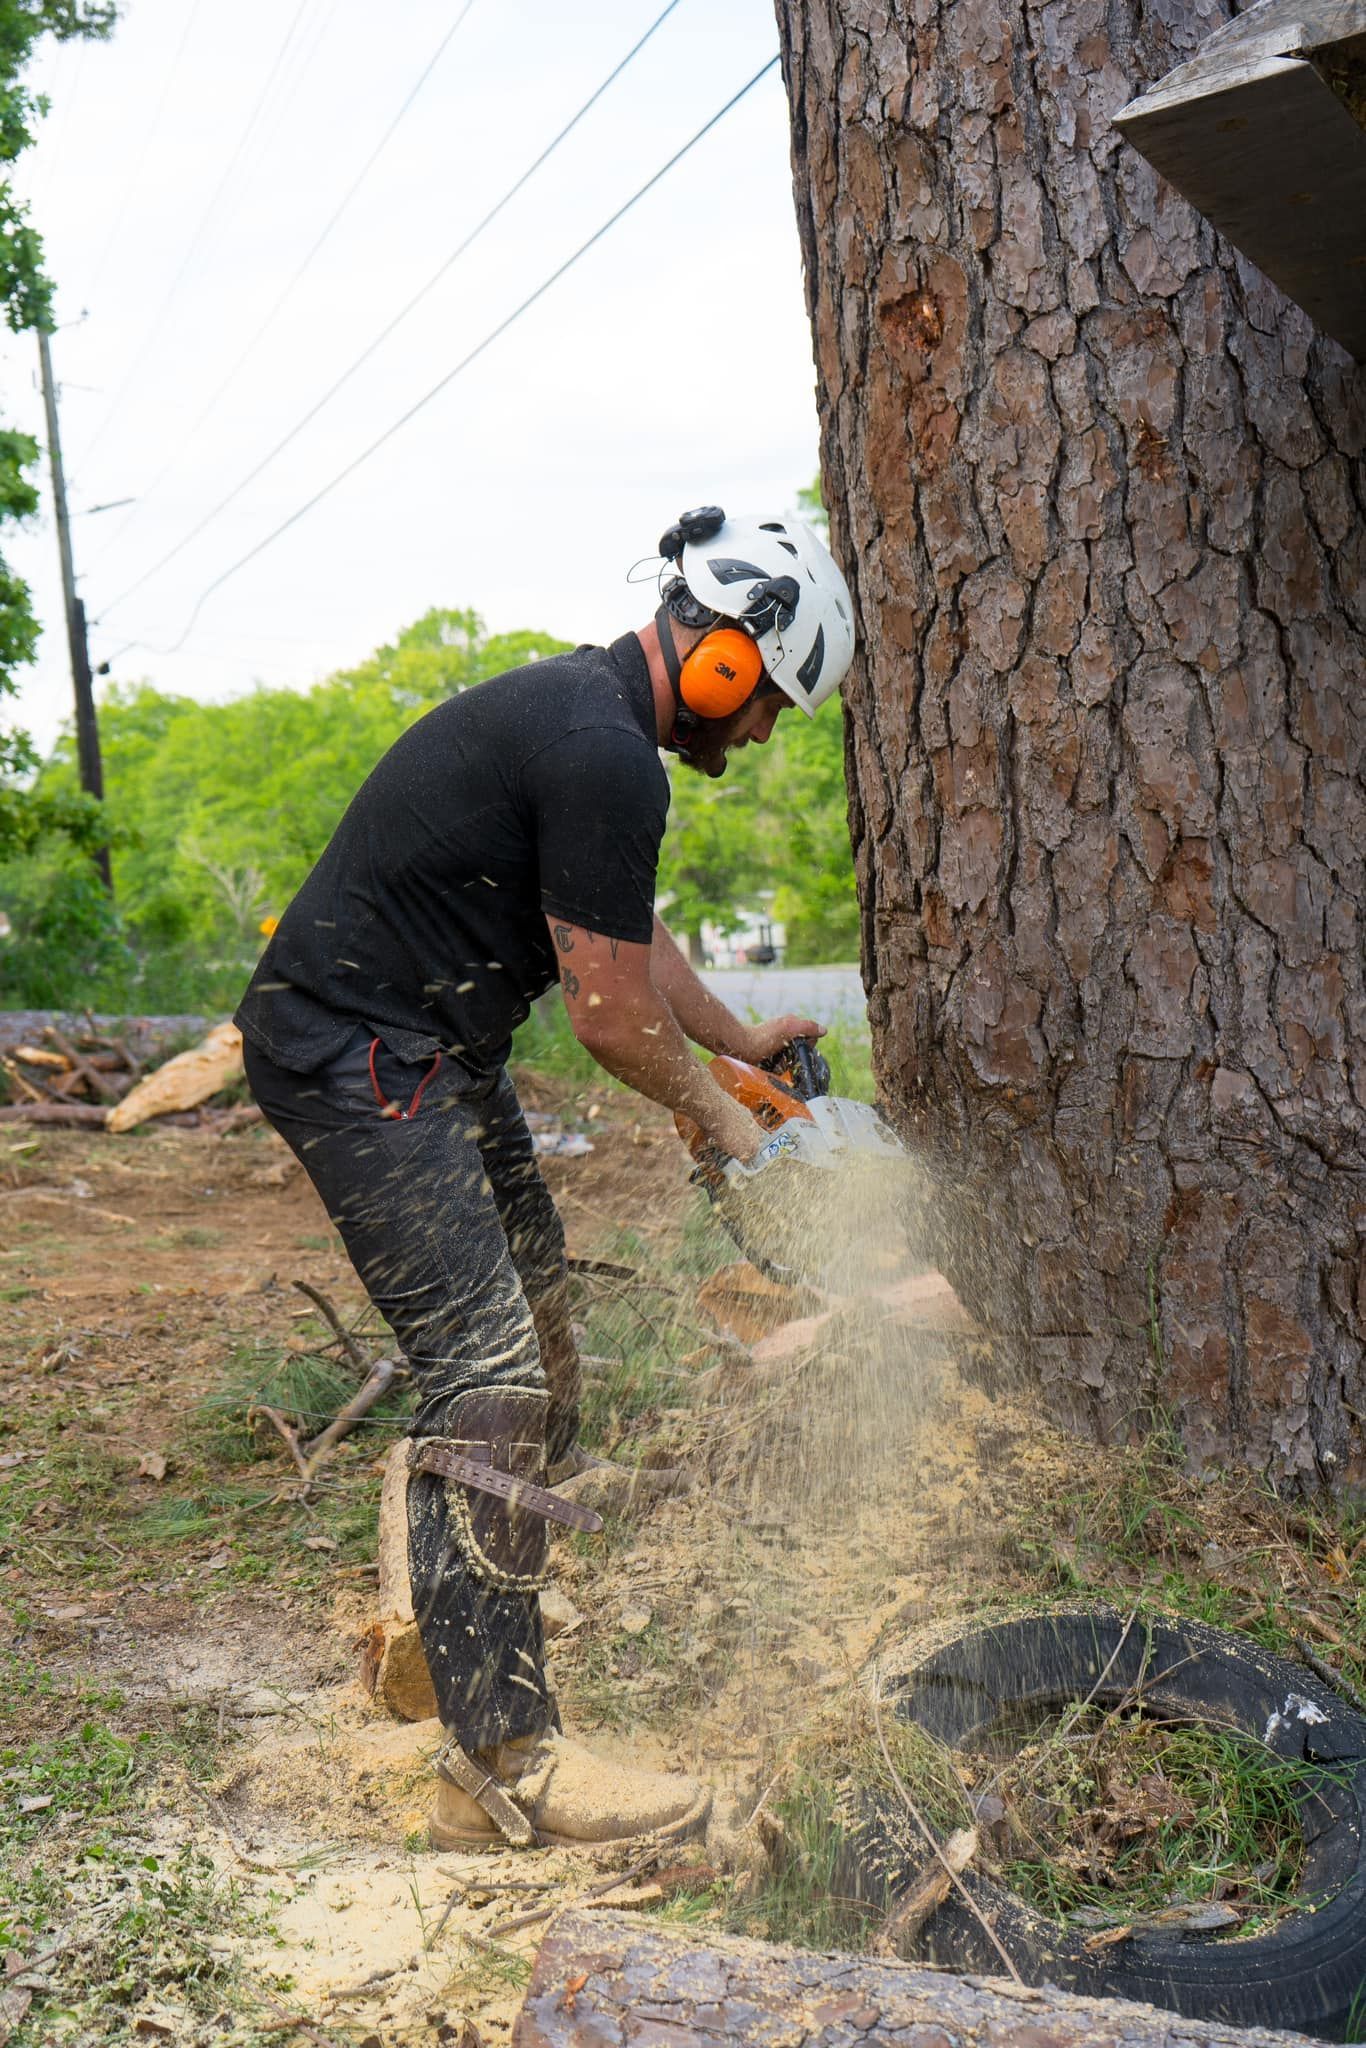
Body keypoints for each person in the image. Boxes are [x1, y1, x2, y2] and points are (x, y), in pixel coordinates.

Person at [235, 505, 856, 1850]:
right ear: (725, 656)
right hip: (354, 1049)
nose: (759, 737)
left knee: (538, 1317)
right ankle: (504, 1755)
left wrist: (738, 1048)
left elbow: (627, 940)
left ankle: (506, 1559)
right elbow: (605, 1018)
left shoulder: (595, 733)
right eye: (769, 705)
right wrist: (719, 1123)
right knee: (489, 1374)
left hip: (428, 1044)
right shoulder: (599, 745)